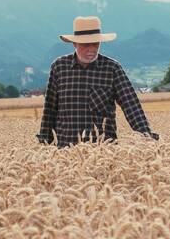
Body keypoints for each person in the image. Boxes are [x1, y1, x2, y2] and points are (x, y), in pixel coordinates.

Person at [36, 16, 158, 147]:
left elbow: (131, 105)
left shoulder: (112, 68)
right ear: (74, 43)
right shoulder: (59, 67)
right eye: (85, 44)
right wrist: (45, 142)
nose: (91, 48)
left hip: (103, 151)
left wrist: (146, 137)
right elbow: (50, 108)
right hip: (65, 151)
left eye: (95, 43)